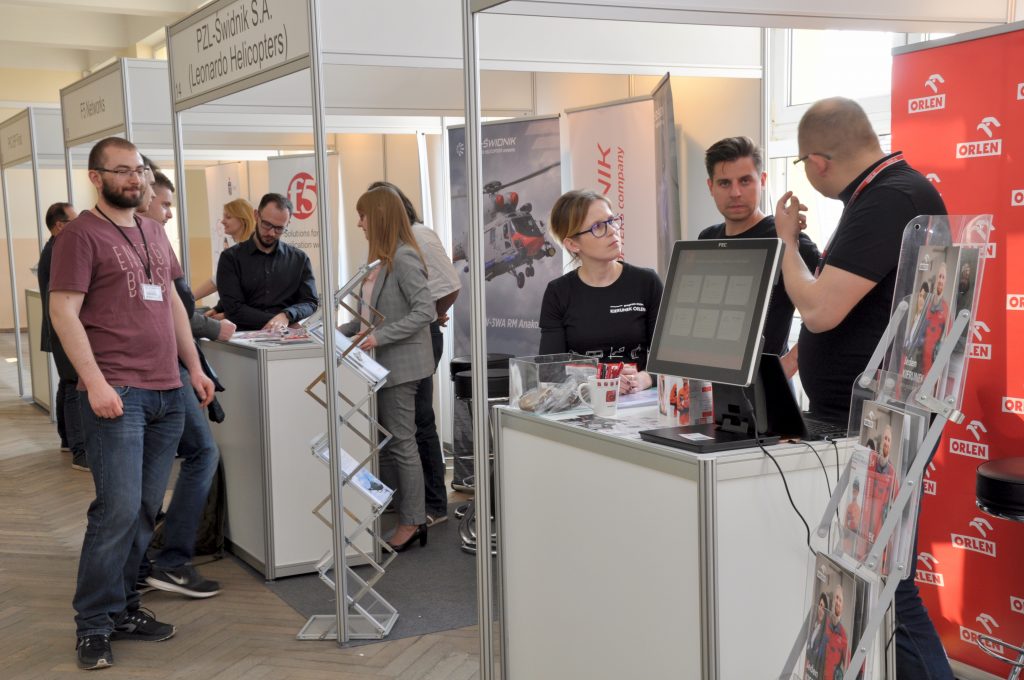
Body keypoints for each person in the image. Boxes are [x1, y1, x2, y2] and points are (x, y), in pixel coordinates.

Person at [774, 97, 951, 679]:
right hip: (868, 416)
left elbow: (820, 309)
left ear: (817, 162)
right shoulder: (886, 194)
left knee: (886, 586)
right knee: (875, 581)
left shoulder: (888, 199)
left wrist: (786, 241)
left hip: (879, 421)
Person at [48, 137, 215, 670]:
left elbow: (172, 306)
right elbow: (63, 312)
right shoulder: (80, 236)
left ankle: (123, 609)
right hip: (116, 393)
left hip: (167, 390)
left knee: (144, 509)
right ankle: (93, 623)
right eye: (121, 171)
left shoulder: (153, 230)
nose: (134, 179)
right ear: (96, 178)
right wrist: (94, 382)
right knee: (116, 510)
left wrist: (193, 368)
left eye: (138, 169)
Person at [137, 171, 230, 599]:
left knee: (157, 470)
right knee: (198, 454)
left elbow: (175, 307)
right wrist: (207, 334)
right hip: (157, 374)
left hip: (168, 370)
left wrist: (195, 365)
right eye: (165, 203)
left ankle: (145, 564)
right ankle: (169, 561)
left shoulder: (152, 241)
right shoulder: (138, 243)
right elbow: (170, 313)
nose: (169, 213)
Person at [340, 186, 436, 552]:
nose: (359, 223)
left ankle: (412, 521)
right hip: (378, 366)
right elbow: (367, 319)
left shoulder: (405, 258)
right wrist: (330, 330)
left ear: (378, 217)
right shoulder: (379, 261)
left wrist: (379, 337)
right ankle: (403, 512)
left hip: (401, 367)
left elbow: (425, 312)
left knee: (402, 443)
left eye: (363, 216)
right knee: (390, 444)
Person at [368, 180, 460, 527]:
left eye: (365, 214)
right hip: (400, 339)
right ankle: (413, 502)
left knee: (418, 425)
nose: (360, 223)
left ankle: (432, 505)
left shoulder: (416, 239)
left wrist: (434, 315)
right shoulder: (393, 246)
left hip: (413, 342)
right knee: (405, 428)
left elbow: (449, 285)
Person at [700, 137, 820, 374]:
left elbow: (830, 310)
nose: (735, 193)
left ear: (762, 181)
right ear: (711, 187)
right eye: (724, 183)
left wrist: (790, 362)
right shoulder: (707, 238)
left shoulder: (787, 240)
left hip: (765, 382)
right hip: (713, 376)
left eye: (745, 181)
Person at [539, 189, 663, 395]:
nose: (612, 231)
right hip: (584, 403)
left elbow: (672, 360)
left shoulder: (646, 282)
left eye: (611, 221)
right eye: (598, 227)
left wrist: (646, 378)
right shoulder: (558, 292)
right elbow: (550, 372)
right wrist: (601, 378)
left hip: (637, 403)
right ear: (572, 244)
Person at [215, 193, 319, 331]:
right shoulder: (230, 258)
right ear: (256, 216)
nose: (271, 233)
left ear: (287, 223)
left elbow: (310, 302)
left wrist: (287, 315)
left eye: (279, 228)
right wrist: (279, 320)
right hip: (243, 338)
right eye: (267, 225)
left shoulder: (299, 259)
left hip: (286, 337)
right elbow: (234, 308)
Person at [36, 201, 87, 471]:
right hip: (62, 327)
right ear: (59, 225)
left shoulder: (53, 247)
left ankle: (68, 440)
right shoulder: (57, 250)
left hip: (57, 326)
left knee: (67, 382)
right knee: (74, 384)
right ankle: (80, 451)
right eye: (73, 221)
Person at [192, 198, 257, 303]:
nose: (222, 221)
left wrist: (189, 298)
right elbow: (220, 279)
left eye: (228, 217)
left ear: (243, 220)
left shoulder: (251, 250)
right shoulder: (238, 250)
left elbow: (219, 280)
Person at [856, 424, 899, 561]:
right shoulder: (870, 465)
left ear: (891, 444)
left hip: (879, 528)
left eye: (888, 440)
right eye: (885, 438)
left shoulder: (892, 473)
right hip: (864, 523)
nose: (886, 442)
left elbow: (897, 503)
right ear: (880, 442)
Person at [920, 260, 949, 378]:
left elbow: (946, 339)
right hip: (918, 361)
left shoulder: (946, 308)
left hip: (932, 365)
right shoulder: (925, 303)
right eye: (939, 277)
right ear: (936, 279)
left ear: (945, 281)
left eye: (943, 277)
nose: (941, 280)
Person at [822, 585, 850, 680]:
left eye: (840, 600)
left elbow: (848, 666)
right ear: (832, 601)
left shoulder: (844, 635)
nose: (837, 602)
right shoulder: (824, 624)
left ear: (842, 606)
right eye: (836, 598)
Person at [805, 591, 829, 680]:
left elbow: (818, 656)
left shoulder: (825, 633)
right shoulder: (814, 625)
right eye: (820, 605)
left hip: (815, 672)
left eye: (823, 607)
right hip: (808, 670)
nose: (820, 609)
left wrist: (810, 655)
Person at [841, 477, 861, 556]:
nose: (854, 493)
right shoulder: (849, 506)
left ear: (858, 492)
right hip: (846, 538)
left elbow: (856, 526)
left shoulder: (858, 509)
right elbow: (846, 522)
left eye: (855, 491)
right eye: (853, 490)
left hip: (851, 540)